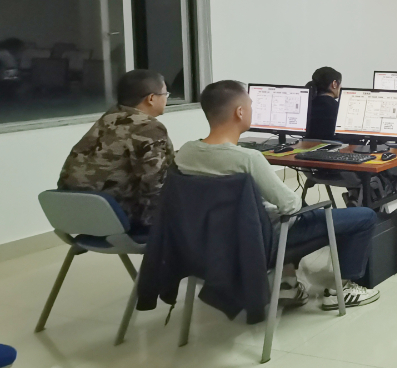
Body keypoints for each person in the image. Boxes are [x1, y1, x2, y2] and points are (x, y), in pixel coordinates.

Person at [176, 80, 380, 309]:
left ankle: (288, 285)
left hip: (209, 245)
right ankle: (342, 290)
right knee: (364, 216)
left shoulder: (185, 153)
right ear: (240, 112)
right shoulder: (248, 159)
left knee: (280, 210)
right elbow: (291, 206)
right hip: (260, 242)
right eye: (251, 105)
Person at [58, 69, 174, 229]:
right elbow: (155, 183)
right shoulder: (148, 127)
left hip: (73, 212)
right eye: (165, 94)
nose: (166, 99)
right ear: (151, 98)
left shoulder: (109, 118)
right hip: (116, 216)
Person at [304, 67, 342, 140]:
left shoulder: (307, 104)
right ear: (334, 84)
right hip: (334, 145)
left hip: (307, 144)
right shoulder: (338, 108)